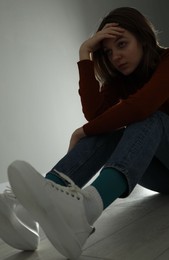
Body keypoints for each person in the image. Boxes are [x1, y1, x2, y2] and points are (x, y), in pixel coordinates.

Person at [2, 6, 169, 259]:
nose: (115, 57)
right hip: (161, 177)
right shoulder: (120, 80)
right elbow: (96, 117)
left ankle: (87, 208)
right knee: (106, 129)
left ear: (143, 38)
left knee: (149, 117)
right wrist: (84, 54)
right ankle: (28, 209)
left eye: (122, 44)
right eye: (108, 52)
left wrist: (82, 131)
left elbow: (142, 107)